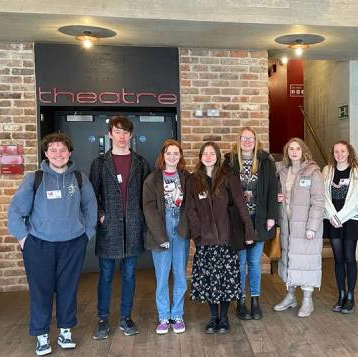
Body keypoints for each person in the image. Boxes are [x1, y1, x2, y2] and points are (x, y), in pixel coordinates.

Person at [7, 133, 97, 356]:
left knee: (68, 289)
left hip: (72, 244)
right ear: (46, 153)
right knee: (41, 290)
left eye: (63, 149)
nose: (59, 154)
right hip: (39, 245)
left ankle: (66, 331)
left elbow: (90, 207)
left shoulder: (79, 178)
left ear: (70, 153)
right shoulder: (34, 178)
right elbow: (15, 212)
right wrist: (23, 239)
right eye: (53, 150)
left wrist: (87, 233)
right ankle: (42, 335)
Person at [89, 116, 151, 340]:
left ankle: (126, 317)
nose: (122, 136)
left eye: (126, 132)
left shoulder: (141, 163)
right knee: (105, 275)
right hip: (110, 228)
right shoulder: (100, 163)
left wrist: (143, 219)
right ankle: (103, 319)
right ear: (110, 135)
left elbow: (147, 196)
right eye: (117, 132)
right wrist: (100, 216)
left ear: (131, 136)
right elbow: (91, 195)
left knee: (129, 275)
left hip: (133, 226)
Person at [185, 141, 255, 334]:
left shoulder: (227, 177)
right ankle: (213, 317)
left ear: (217, 156)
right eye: (205, 153)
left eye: (212, 153)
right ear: (200, 157)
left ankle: (224, 318)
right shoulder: (193, 180)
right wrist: (197, 235)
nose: (208, 156)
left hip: (226, 240)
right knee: (209, 282)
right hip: (205, 241)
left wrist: (248, 230)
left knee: (226, 281)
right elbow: (190, 210)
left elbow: (241, 204)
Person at [224, 127, 279, 321]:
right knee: (239, 263)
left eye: (251, 138)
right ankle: (240, 301)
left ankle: (255, 300)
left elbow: (274, 189)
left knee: (254, 262)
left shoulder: (266, 161)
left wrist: (272, 216)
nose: (247, 141)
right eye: (244, 138)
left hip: (259, 219)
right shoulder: (229, 161)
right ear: (238, 140)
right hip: (238, 221)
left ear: (256, 141)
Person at [143, 139, 190, 335]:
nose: (172, 157)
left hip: (180, 229)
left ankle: (177, 315)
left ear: (180, 157)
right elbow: (149, 209)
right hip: (160, 229)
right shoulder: (152, 179)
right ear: (163, 155)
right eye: (168, 153)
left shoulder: (187, 178)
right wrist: (160, 235)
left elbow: (190, 206)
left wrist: (186, 229)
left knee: (180, 275)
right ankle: (163, 316)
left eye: (176, 153)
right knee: (162, 277)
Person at [273, 138, 324, 318]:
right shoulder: (283, 171)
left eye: (297, 149)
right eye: (290, 149)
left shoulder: (313, 172)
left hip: (305, 227)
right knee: (290, 260)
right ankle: (291, 296)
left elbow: (318, 202)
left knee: (306, 263)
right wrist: (279, 198)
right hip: (288, 224)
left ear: (304, 151)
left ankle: (307, 300)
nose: (294, 152)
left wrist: (312, 227)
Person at [322, 141, 358, 314]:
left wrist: (340, 217)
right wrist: (333, 216)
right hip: (332, 219)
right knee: (338, 259)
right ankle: (340, 294)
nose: (339, 154)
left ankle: (350, 296)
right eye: (336, 151)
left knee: (349, 258)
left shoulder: (356, 172)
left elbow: (357, 197)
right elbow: (323, 195)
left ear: (349, 153)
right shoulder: (327, 170)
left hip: (350, 220)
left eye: (342, 151)